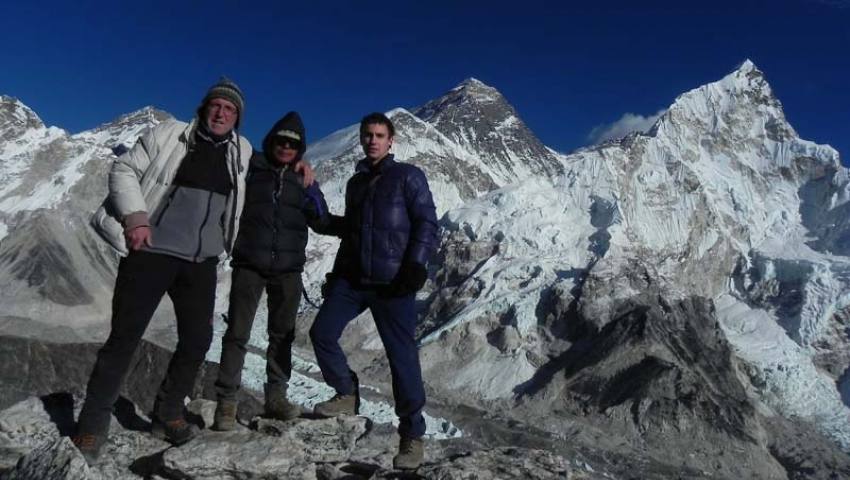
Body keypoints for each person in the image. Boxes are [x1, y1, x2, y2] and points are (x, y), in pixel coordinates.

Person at [75, 78, 311, 463]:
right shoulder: (168, 136)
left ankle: (167, 414)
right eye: (216, 106)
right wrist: (135, 218)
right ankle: (91, 425)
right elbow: (123, 170)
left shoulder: (242, 150)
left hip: (201, 262)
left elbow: (272, 164)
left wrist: (300, 160)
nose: (221, 113)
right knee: (124, 339)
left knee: (198, 340)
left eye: (230, 109)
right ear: (204, 109)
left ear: (238, 118)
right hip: (151, 253)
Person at [309, 112, 438, 470]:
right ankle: (347, 393)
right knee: (322, 333)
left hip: (394, 284)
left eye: (379, 135)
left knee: (402, 360)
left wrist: (415, 266)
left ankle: (412, 435)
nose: (372, 140)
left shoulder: (408, 177)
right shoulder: (356, 183)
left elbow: (427, 222)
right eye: (367, 135)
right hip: (353, 281)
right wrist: (336, 272)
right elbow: (352, 232)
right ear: (361, 139)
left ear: (391, 140)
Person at [212, 111, 333, 430]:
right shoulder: (252, 169)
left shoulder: (302, 179)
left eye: (293, 144)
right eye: (281, 140)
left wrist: (314, 190)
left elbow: (320, 218)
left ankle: (276, 397)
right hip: (249, 264)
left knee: (282, 336)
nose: (285, 147)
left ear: (300, 148)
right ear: (271, 141)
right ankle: (226, 402)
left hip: (288, 270)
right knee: (237, 333)